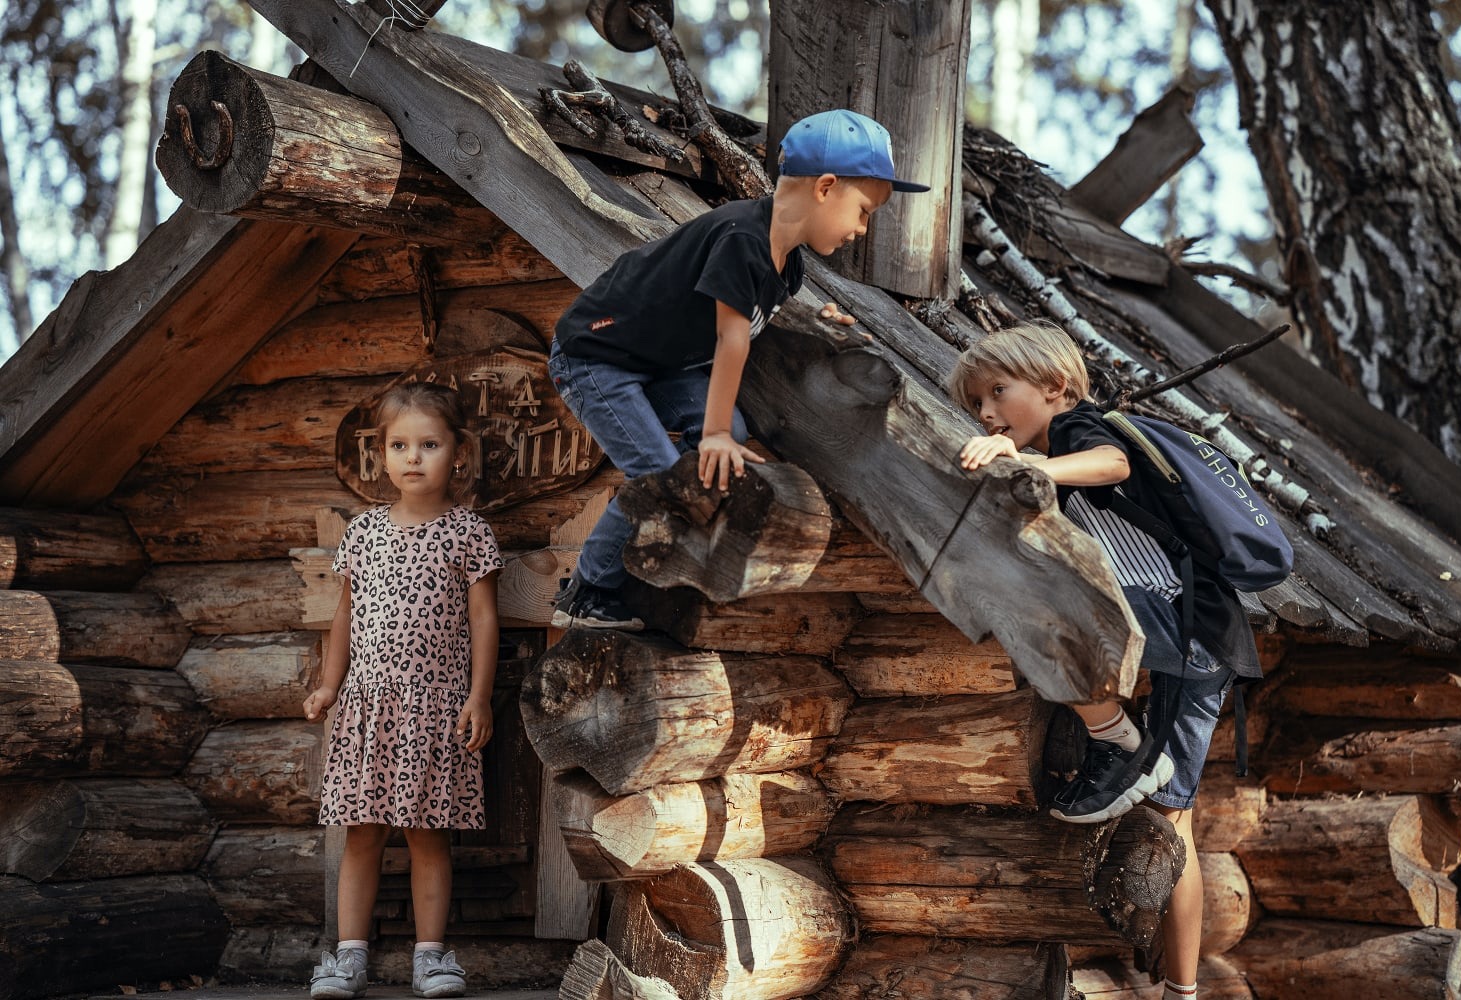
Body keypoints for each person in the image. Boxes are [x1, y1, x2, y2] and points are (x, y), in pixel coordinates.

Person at [947, 321, 1262, 1000]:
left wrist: (1034, 465)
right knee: (1169, 820)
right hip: (1195, 637)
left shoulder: (1076, 430)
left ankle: (1117, 739)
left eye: (997, 392)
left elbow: (1110, 465)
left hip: (1184, 623)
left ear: (1055, 387)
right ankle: (1182, 991)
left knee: (1030, 608)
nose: (986, 413)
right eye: (976, 404)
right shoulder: (1060, 439)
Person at [549, 108, 928, 630]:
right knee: (665, 471)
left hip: (655, 369)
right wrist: (715, 434)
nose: (862, 229)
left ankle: (665, 508)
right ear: (825, 187)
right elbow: (731, 338)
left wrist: (820, 323)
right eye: (864, 211)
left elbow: (748, 321)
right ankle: (586, 593)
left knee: (723, 442)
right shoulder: (742, 237)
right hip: (595, 357)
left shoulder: (787, 265)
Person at [303, 382, 503, 1000]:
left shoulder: (467, 531)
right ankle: (348, 958)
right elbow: (345, 616)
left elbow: (483, 620)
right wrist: (329, 685)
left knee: (427, 834)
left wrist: (479, 696)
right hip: (368, 709)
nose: (413, 457)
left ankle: (431, 957)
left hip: (436, 708)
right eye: (399, 445)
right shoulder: (362, 533)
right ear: (381, 456)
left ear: (458, 453)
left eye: (429, 444)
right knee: (361, 830)